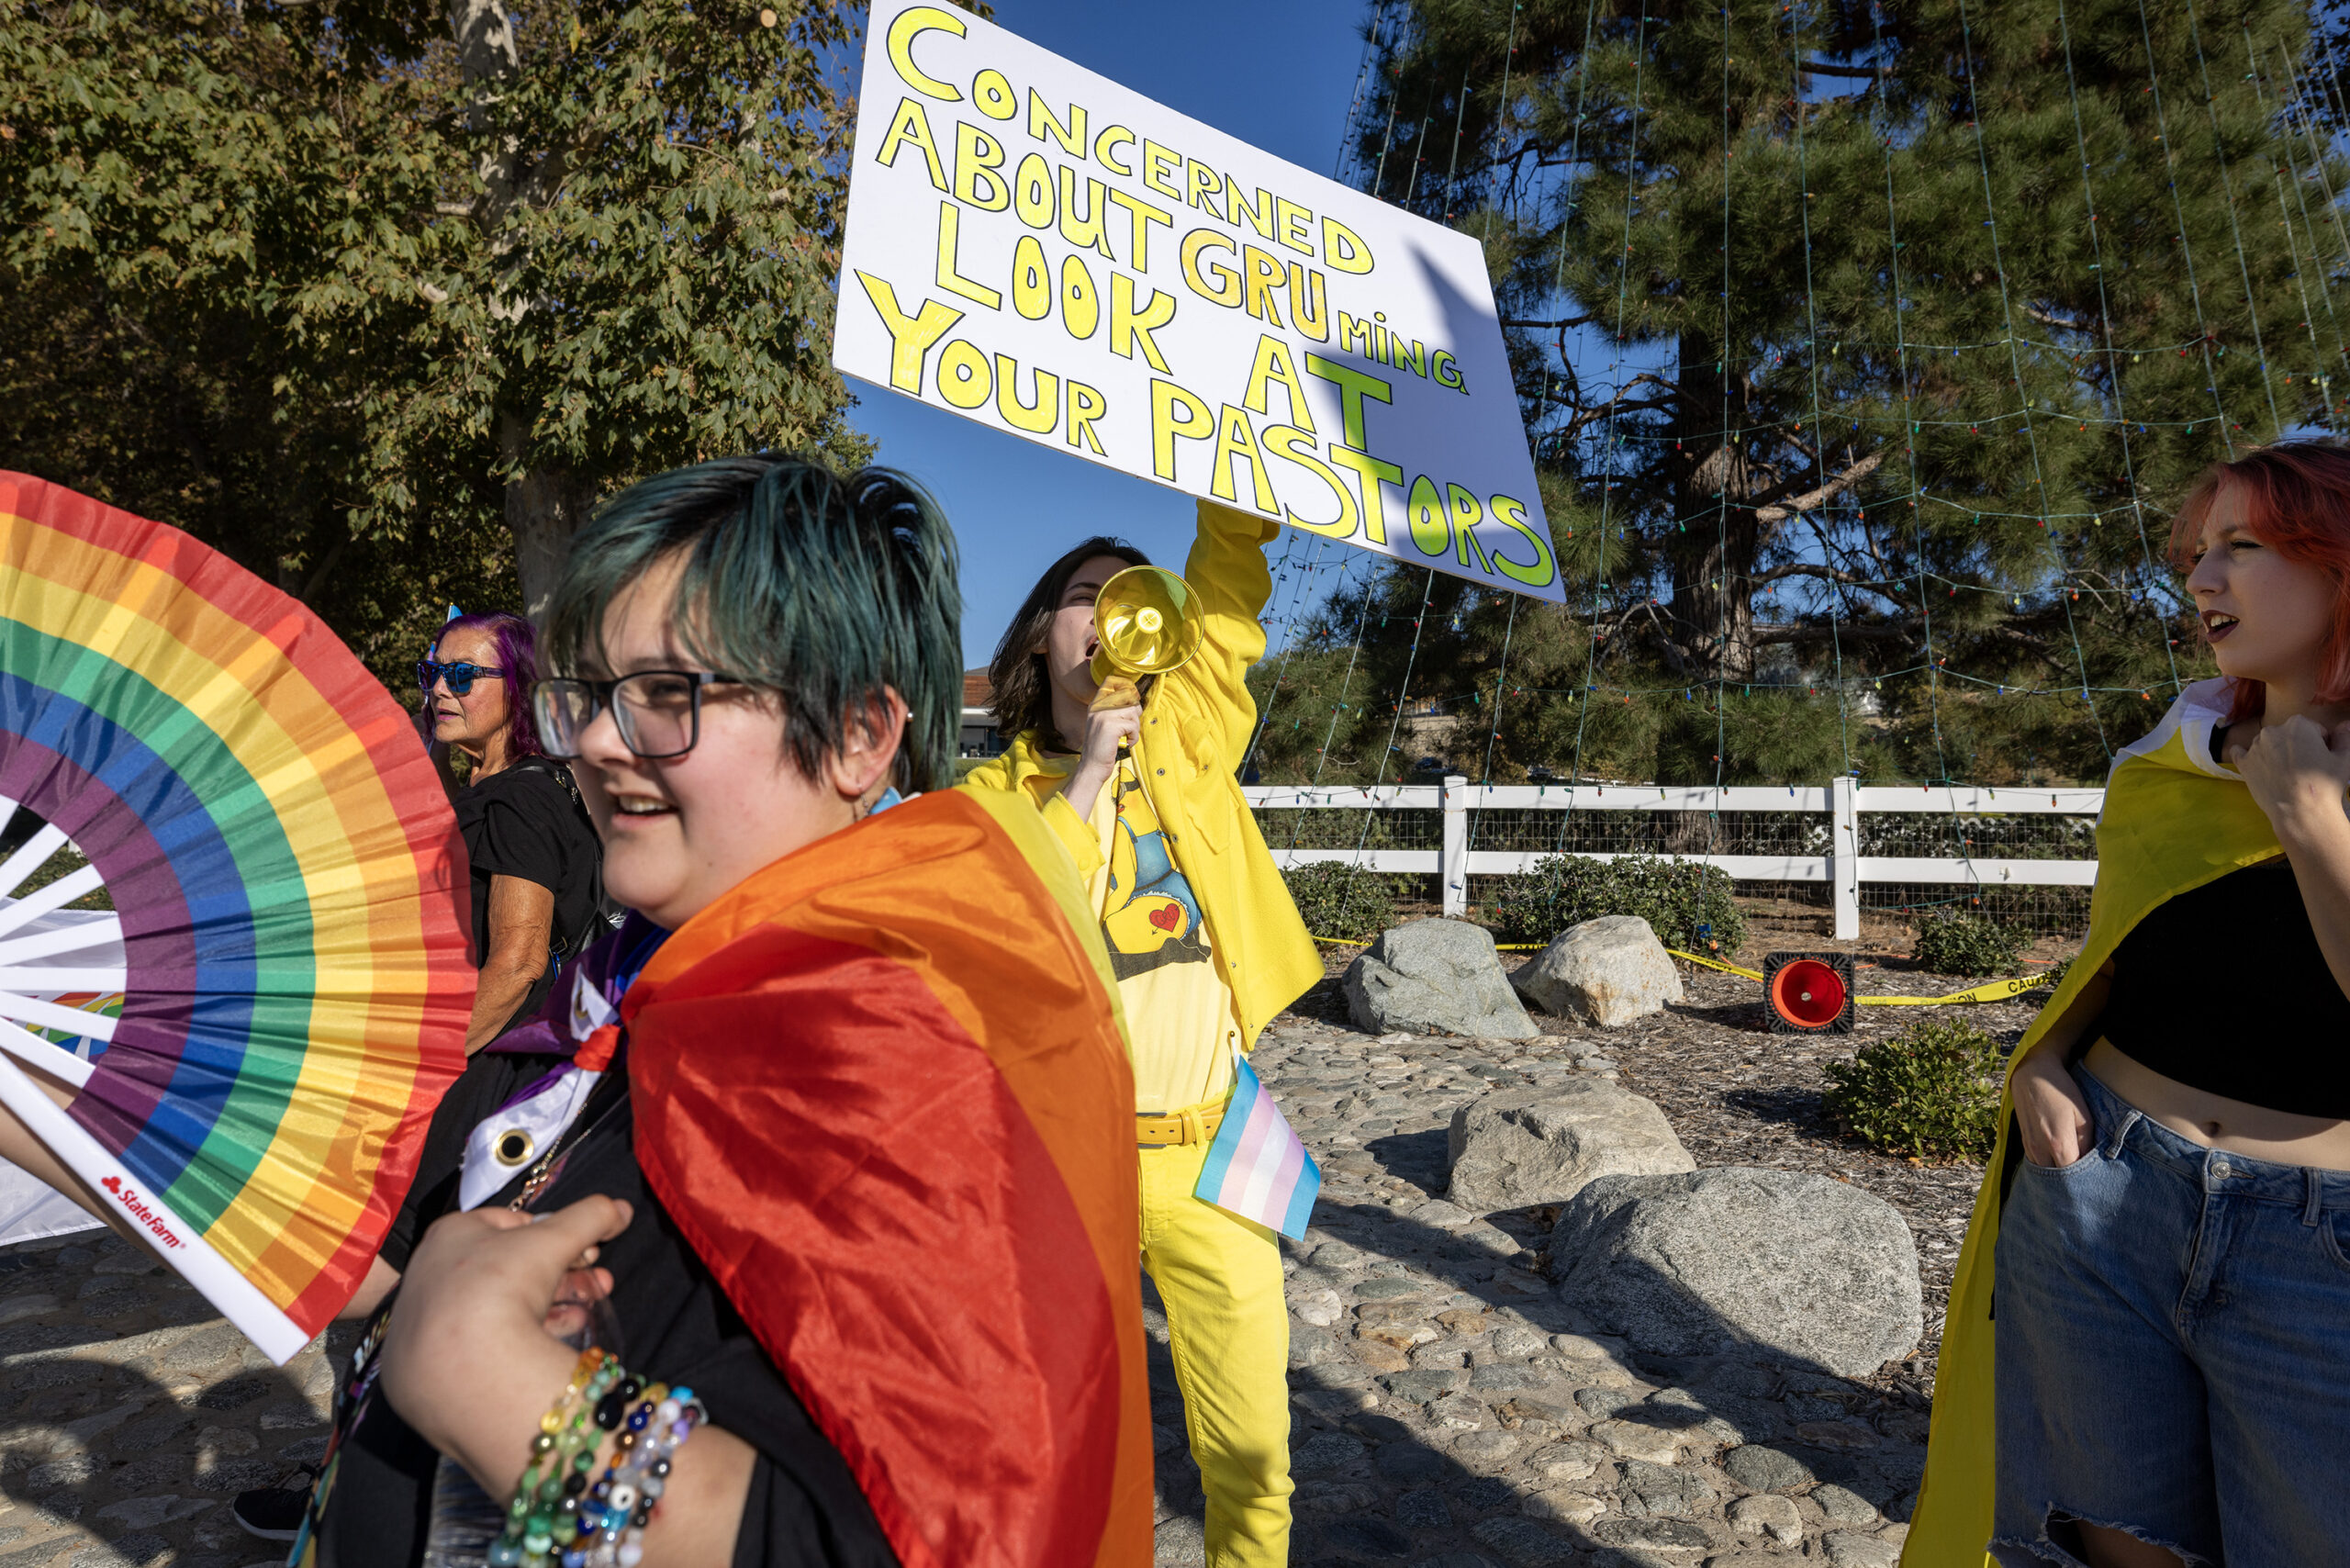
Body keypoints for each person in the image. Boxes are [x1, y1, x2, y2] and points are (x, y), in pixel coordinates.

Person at [292, 454, 1154, 1568]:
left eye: (669, 694)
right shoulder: (618, 987)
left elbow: (932, 1541)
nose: (600, 742)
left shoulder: (908, 1053)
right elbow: (391, 1242)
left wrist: (503, 1394)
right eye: (591, 694)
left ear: (856, 735)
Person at [1908, 441, 2350, 1567]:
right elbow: (2117, 960)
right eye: (2199, 553)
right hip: (2104, 1191)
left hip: (2321, 1247)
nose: (2201, 581)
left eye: (2242, 547)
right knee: (2101, 1545)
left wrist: (2310, 817)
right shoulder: (2176, 756)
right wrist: (2039, 1063)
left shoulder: (2307, 786)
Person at [958, 499, 1323, 1567]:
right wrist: (1084, 780)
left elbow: (1228, 579)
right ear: (1042, 632)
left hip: (1210, 1153)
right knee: (1066, 1445)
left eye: (1135, 597)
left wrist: (1241, 472)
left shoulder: (1193, 735)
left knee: (1253, 1456)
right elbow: (1015, 923)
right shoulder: (993, 793)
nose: (1114, 613)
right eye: (1087, 596)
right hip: (1070, 1164)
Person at [231, 611, 603, 1541]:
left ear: (515, 689)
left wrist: (419, 1072)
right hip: (499, 1076)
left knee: (370, 1285)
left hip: (482, 1081)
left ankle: (367, 1507)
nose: (437, 686)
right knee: (391, 1295)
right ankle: (354, 1493)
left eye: (463, 674)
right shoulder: (522, 790)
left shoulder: (514, 797)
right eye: (431, 668)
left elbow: (516, 961)